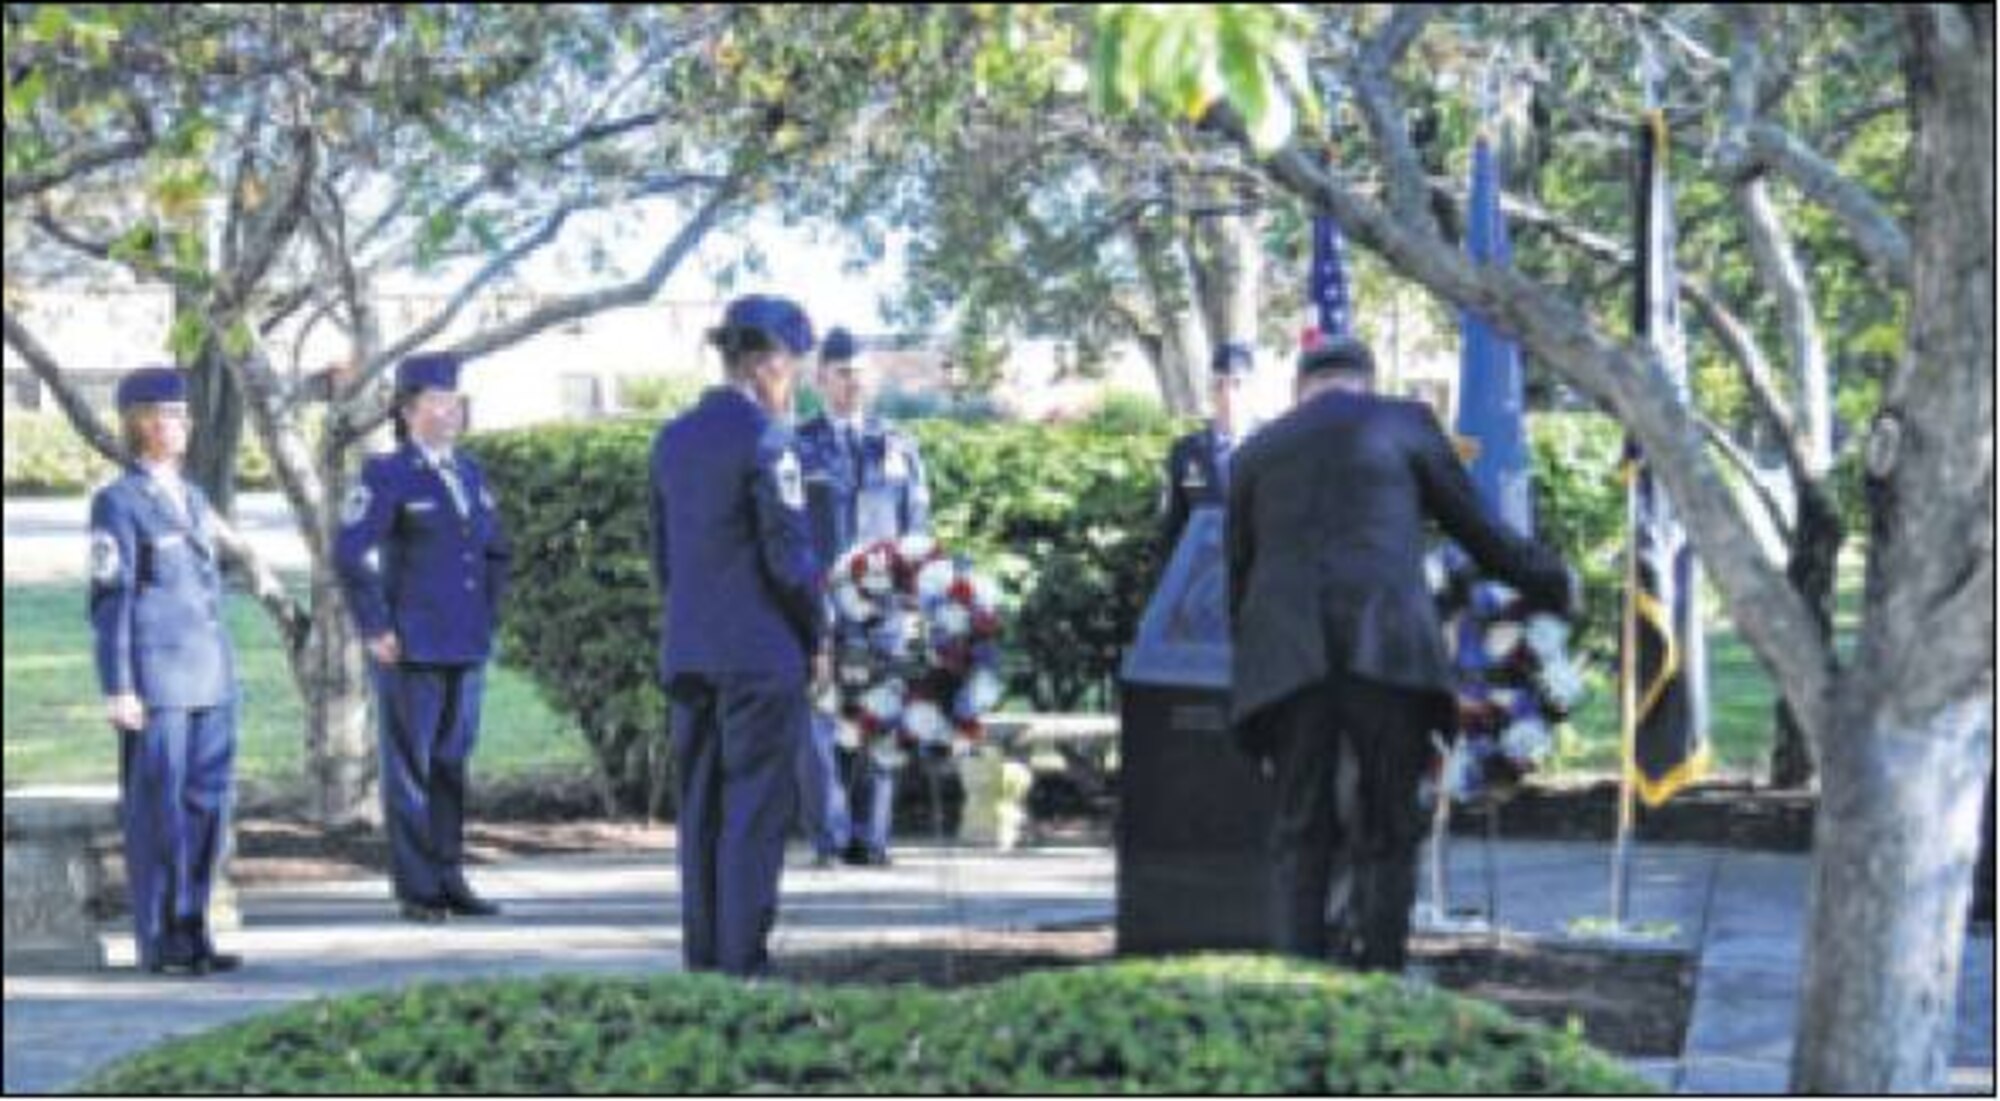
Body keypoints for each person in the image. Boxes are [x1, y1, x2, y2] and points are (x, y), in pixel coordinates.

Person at [1226, 336, 1574, 972]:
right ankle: (1380, 985)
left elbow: (1238, 577)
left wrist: (1250, 676)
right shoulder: (1405, 424)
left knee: (1299, 832)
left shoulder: (1255, 450)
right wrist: (1551, 581)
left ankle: (1295, 989)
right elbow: (1479, 530)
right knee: (1388, 830)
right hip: (1386, 653)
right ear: (1367, 380)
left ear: (1301, 389)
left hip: (1288, 660)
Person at [650, 294, 824, 975]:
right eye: (793, 367)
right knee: (753, 811)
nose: (797, 382)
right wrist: (819, 633)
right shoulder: (768, 439)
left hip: (690, 649)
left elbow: (663, 555)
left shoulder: (672, 437)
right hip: (759, 656)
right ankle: (743, 960)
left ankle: (704, 959)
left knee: (702, 813)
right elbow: (789, 559)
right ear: (766, 365)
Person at [334, 352, 512, 923]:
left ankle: (449, 873)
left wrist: (487, 614)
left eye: (454, 401)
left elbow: (493, 550)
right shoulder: (387, 474)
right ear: (408, 412)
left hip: (465, 641)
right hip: (410, 644)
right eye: (437, 401)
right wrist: (376, 626)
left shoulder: (468, 473)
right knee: (410, 770)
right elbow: (350, 550)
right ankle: (417, 888)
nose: (449, 411)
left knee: (452, 764)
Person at [88, 366, 242, 975]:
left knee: (208, 810)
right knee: (158, 814)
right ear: (136, 424)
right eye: (162, 414)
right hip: (155, 684)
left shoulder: (194, 495)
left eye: (181, 414)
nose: (175, 425)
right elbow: (110, 599)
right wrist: (119, 685)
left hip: (211, 680)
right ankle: (159, 941)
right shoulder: (118, 502)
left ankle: (194, 930)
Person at [795, 325, 931, 867]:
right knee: (817, 725)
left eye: (859, 372)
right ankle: (830, 838)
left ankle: (872, 838)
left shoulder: (897, 446)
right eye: (841, 373)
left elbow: (916, 528)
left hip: (882, 606)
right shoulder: (799, 448)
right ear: (820, 378)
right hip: (821, 605)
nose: (852, 382)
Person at [1161, 341, 1256, 555]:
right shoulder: (1185, 452)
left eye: (1237, 384)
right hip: (1206, 577)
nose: (1228, 395)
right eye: (1219, 385)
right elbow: (1174, 528)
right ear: (1210, 392)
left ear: (1253, 388)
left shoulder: (1275, 443)